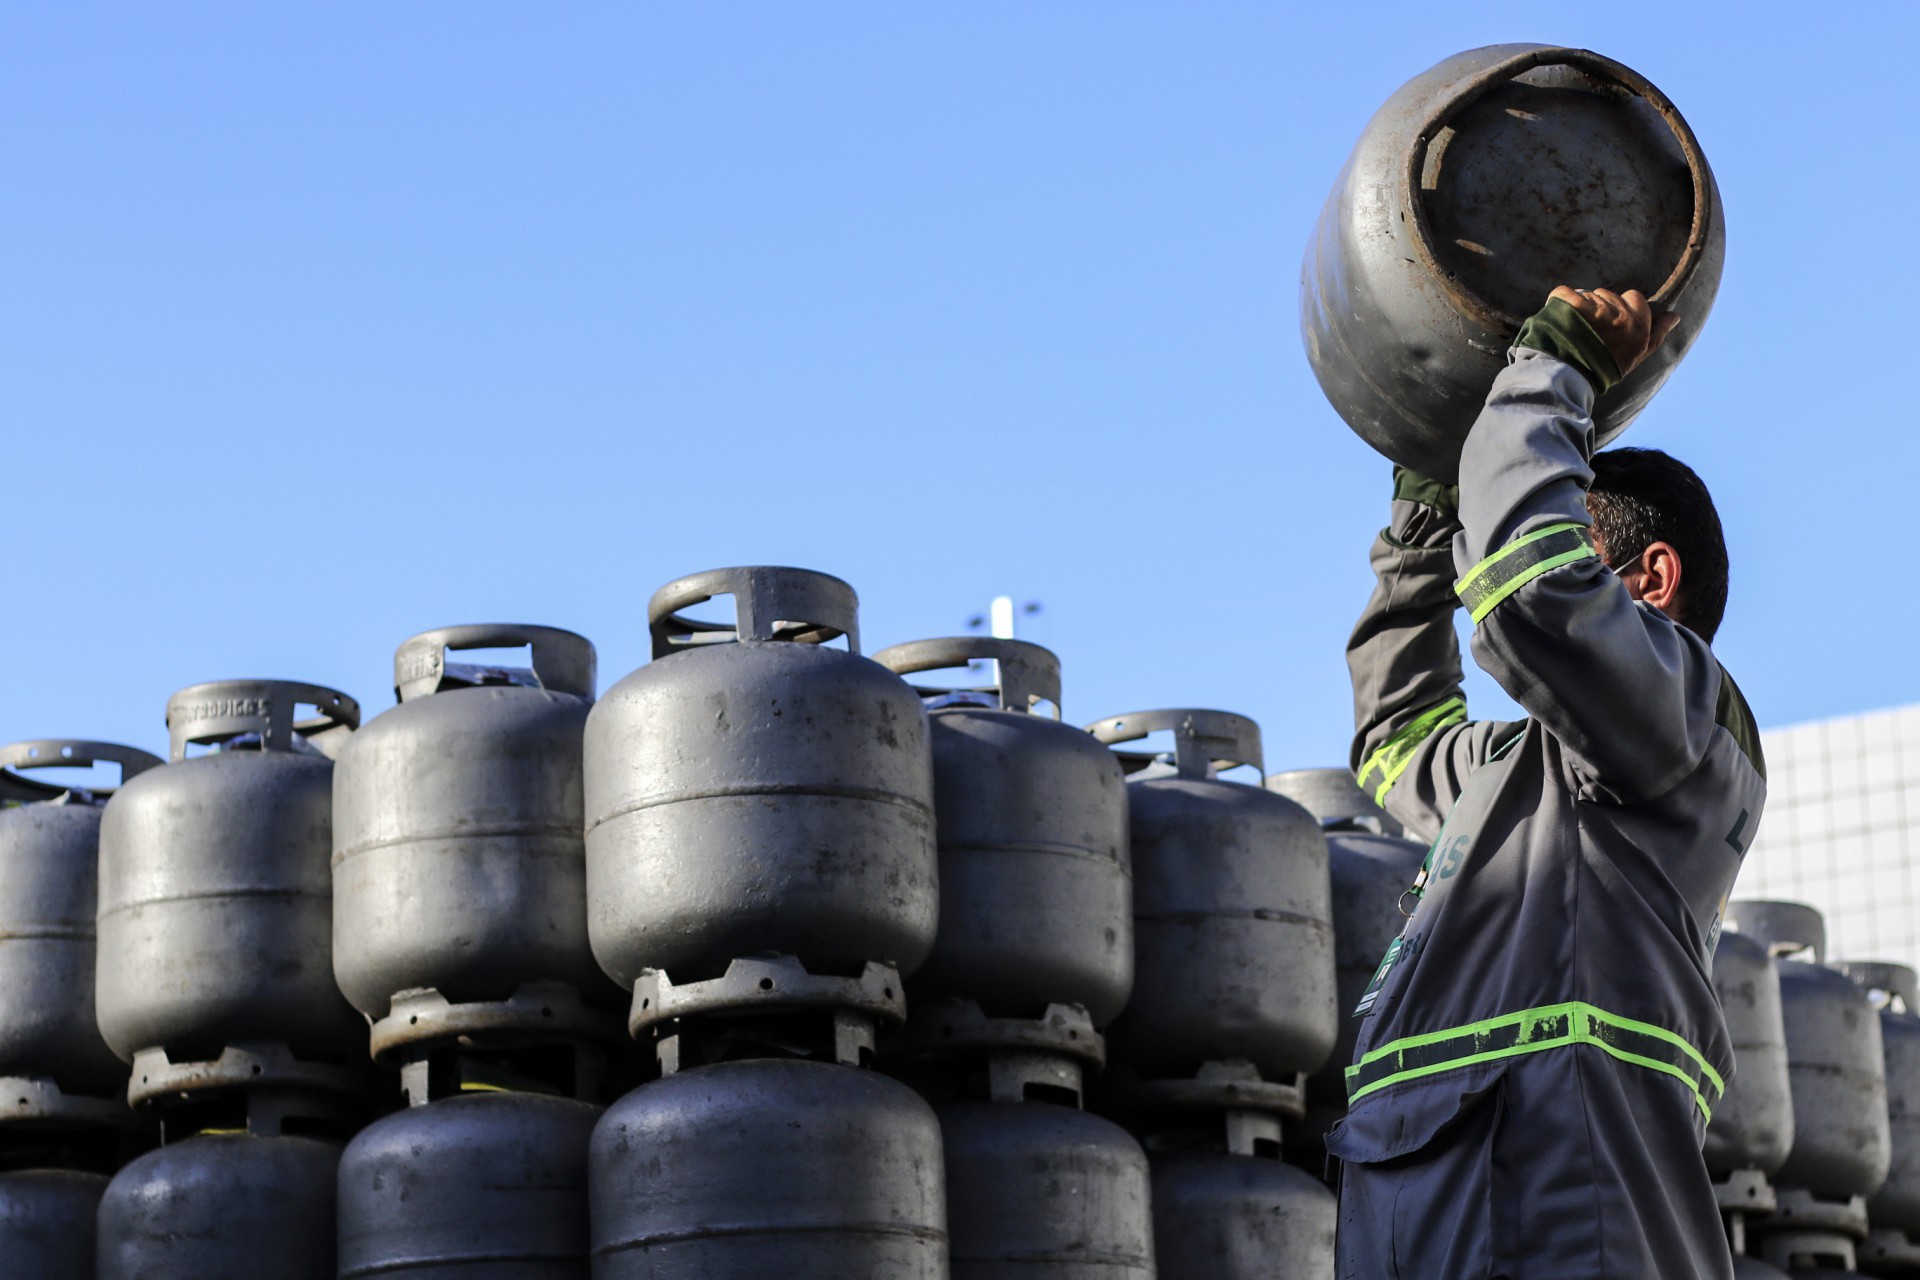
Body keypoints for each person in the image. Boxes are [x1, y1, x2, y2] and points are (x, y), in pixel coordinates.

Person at [1328, 285, 1767, 1278]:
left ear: (1651, 581)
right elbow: (1397, 737)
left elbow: (1528, 584)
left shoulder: (1688, 723)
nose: (1500, 549)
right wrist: (1423, 529)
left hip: (1565, 1222)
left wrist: (1553, 370)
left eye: (1580, 542)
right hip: (1440, 1218)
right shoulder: (1525, 774)